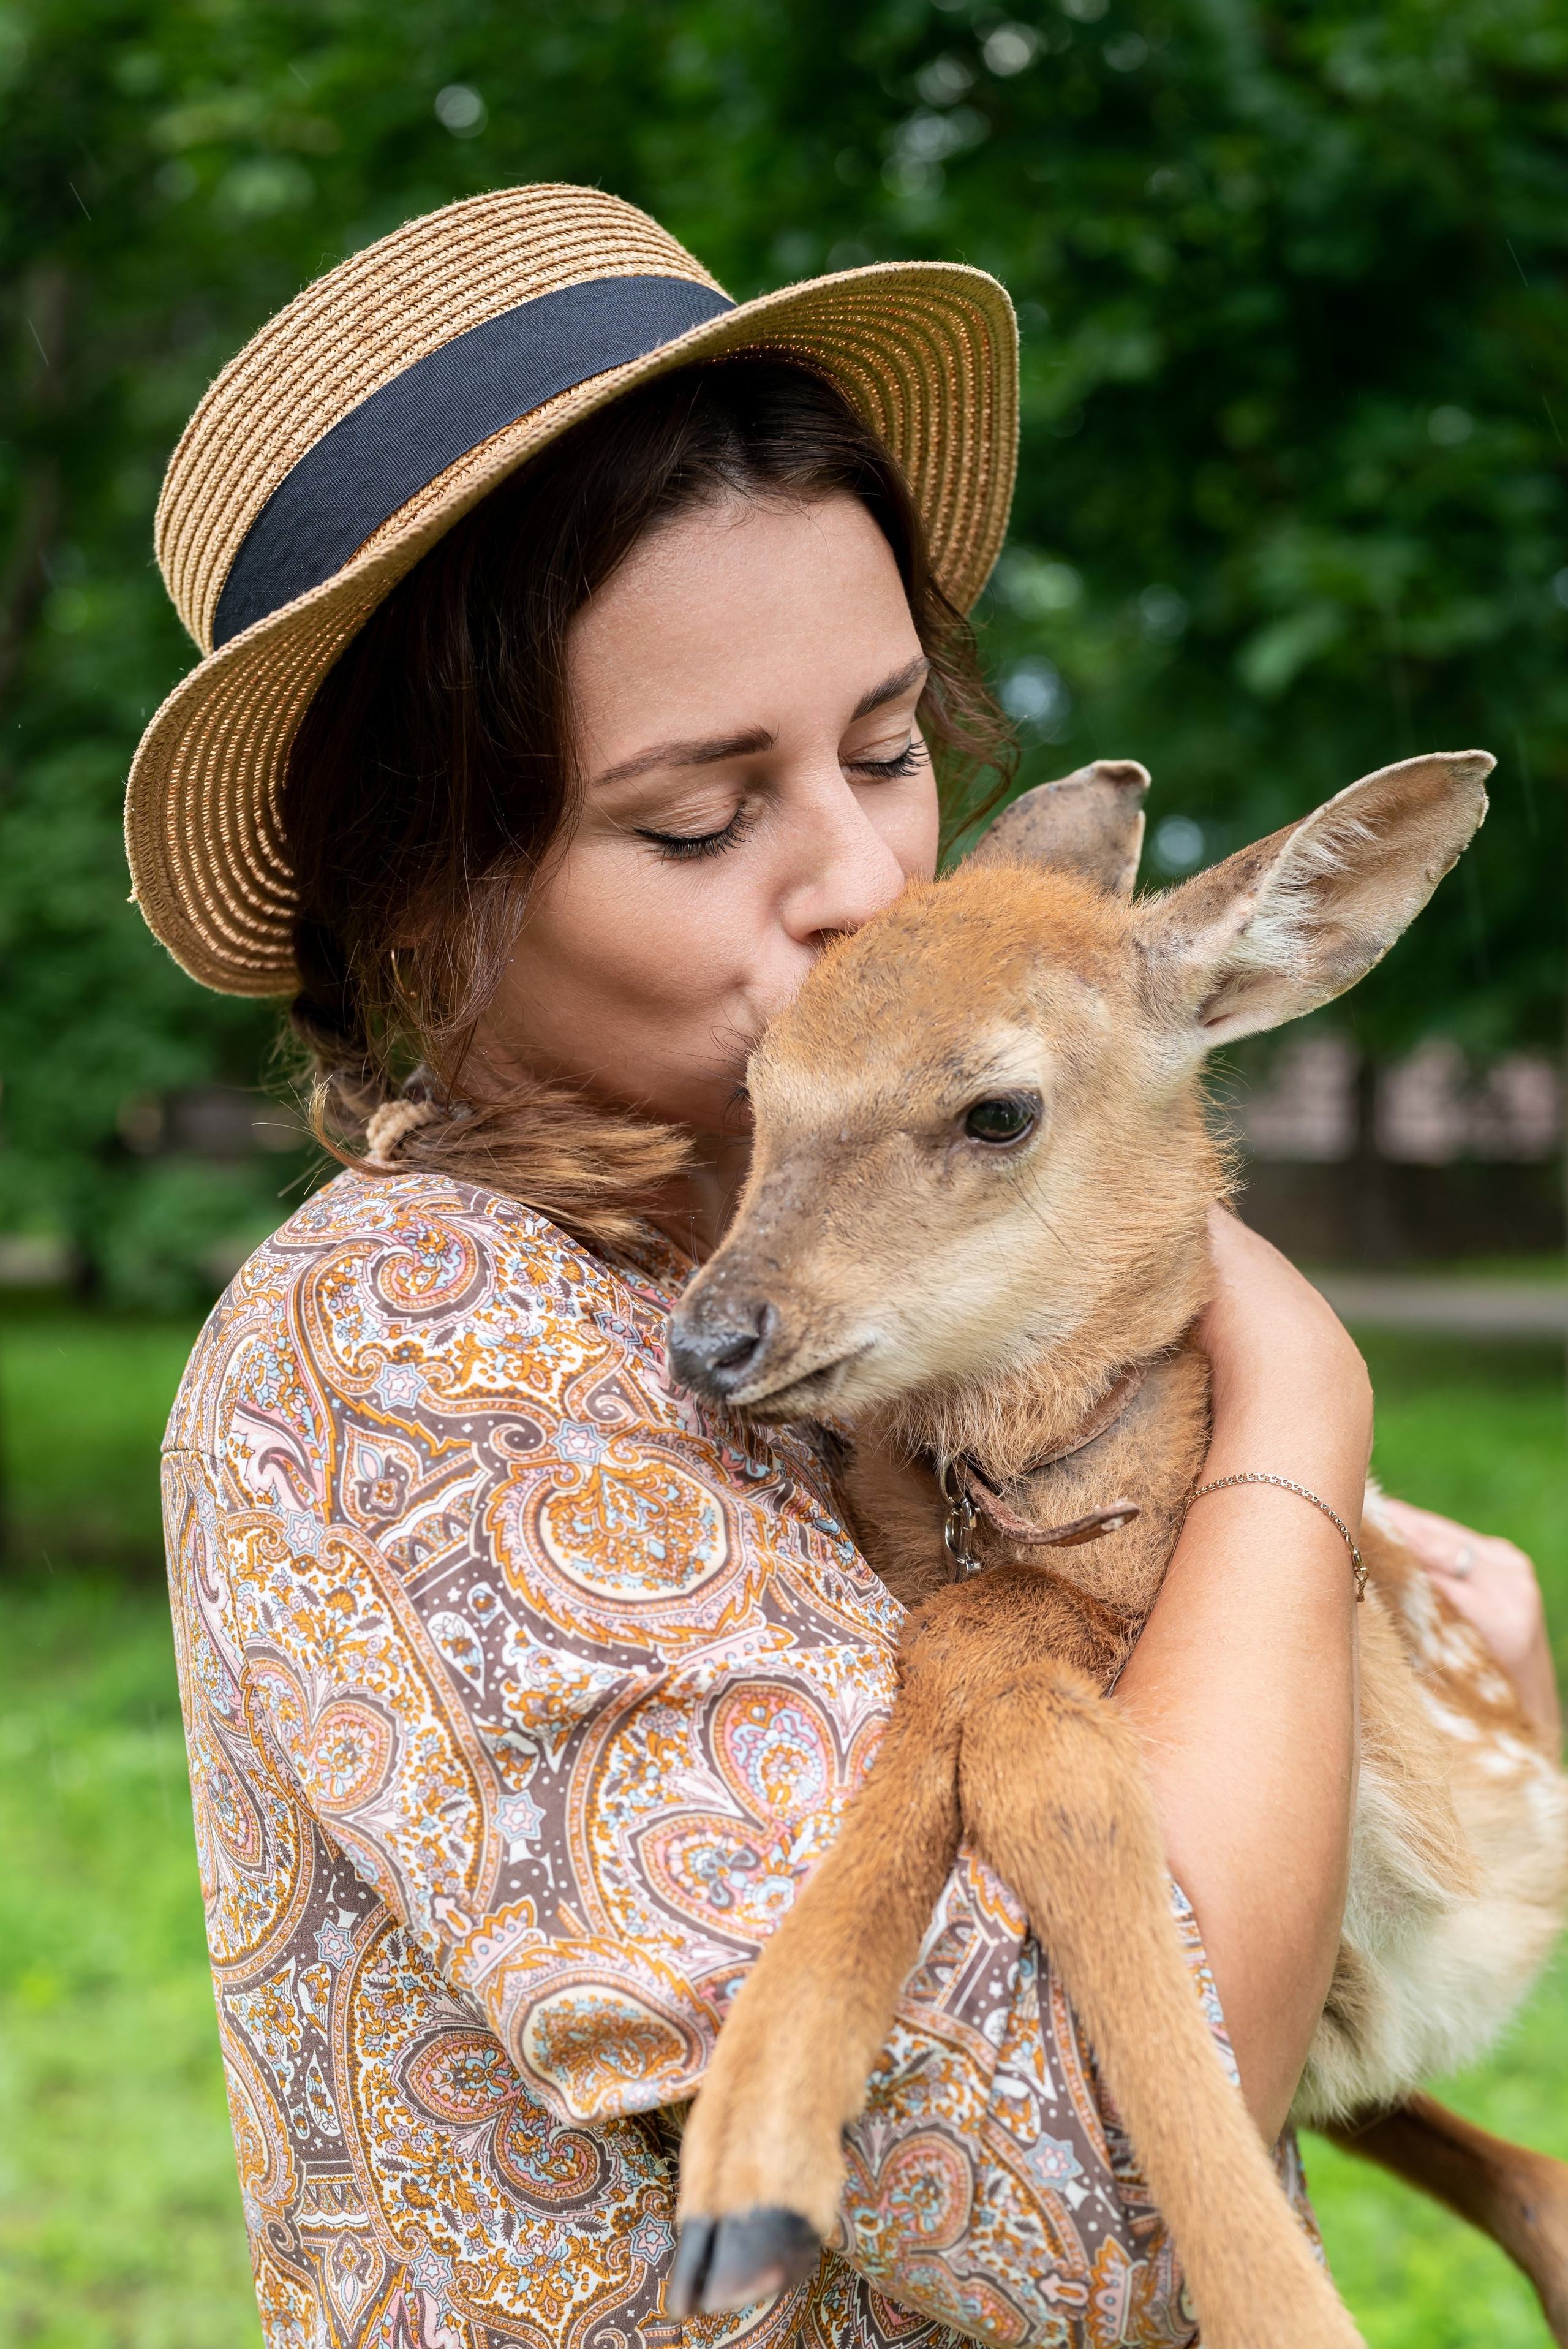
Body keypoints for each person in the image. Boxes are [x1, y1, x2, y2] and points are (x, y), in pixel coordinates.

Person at [133, 186, 1559, 2349]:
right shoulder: (409, 1348)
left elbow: (1333, 1963)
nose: (863, 879)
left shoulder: (886, 1294)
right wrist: (1301, 1420)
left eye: (889, 747)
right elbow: (1089, 2204)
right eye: (701, 821)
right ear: (430, 887)